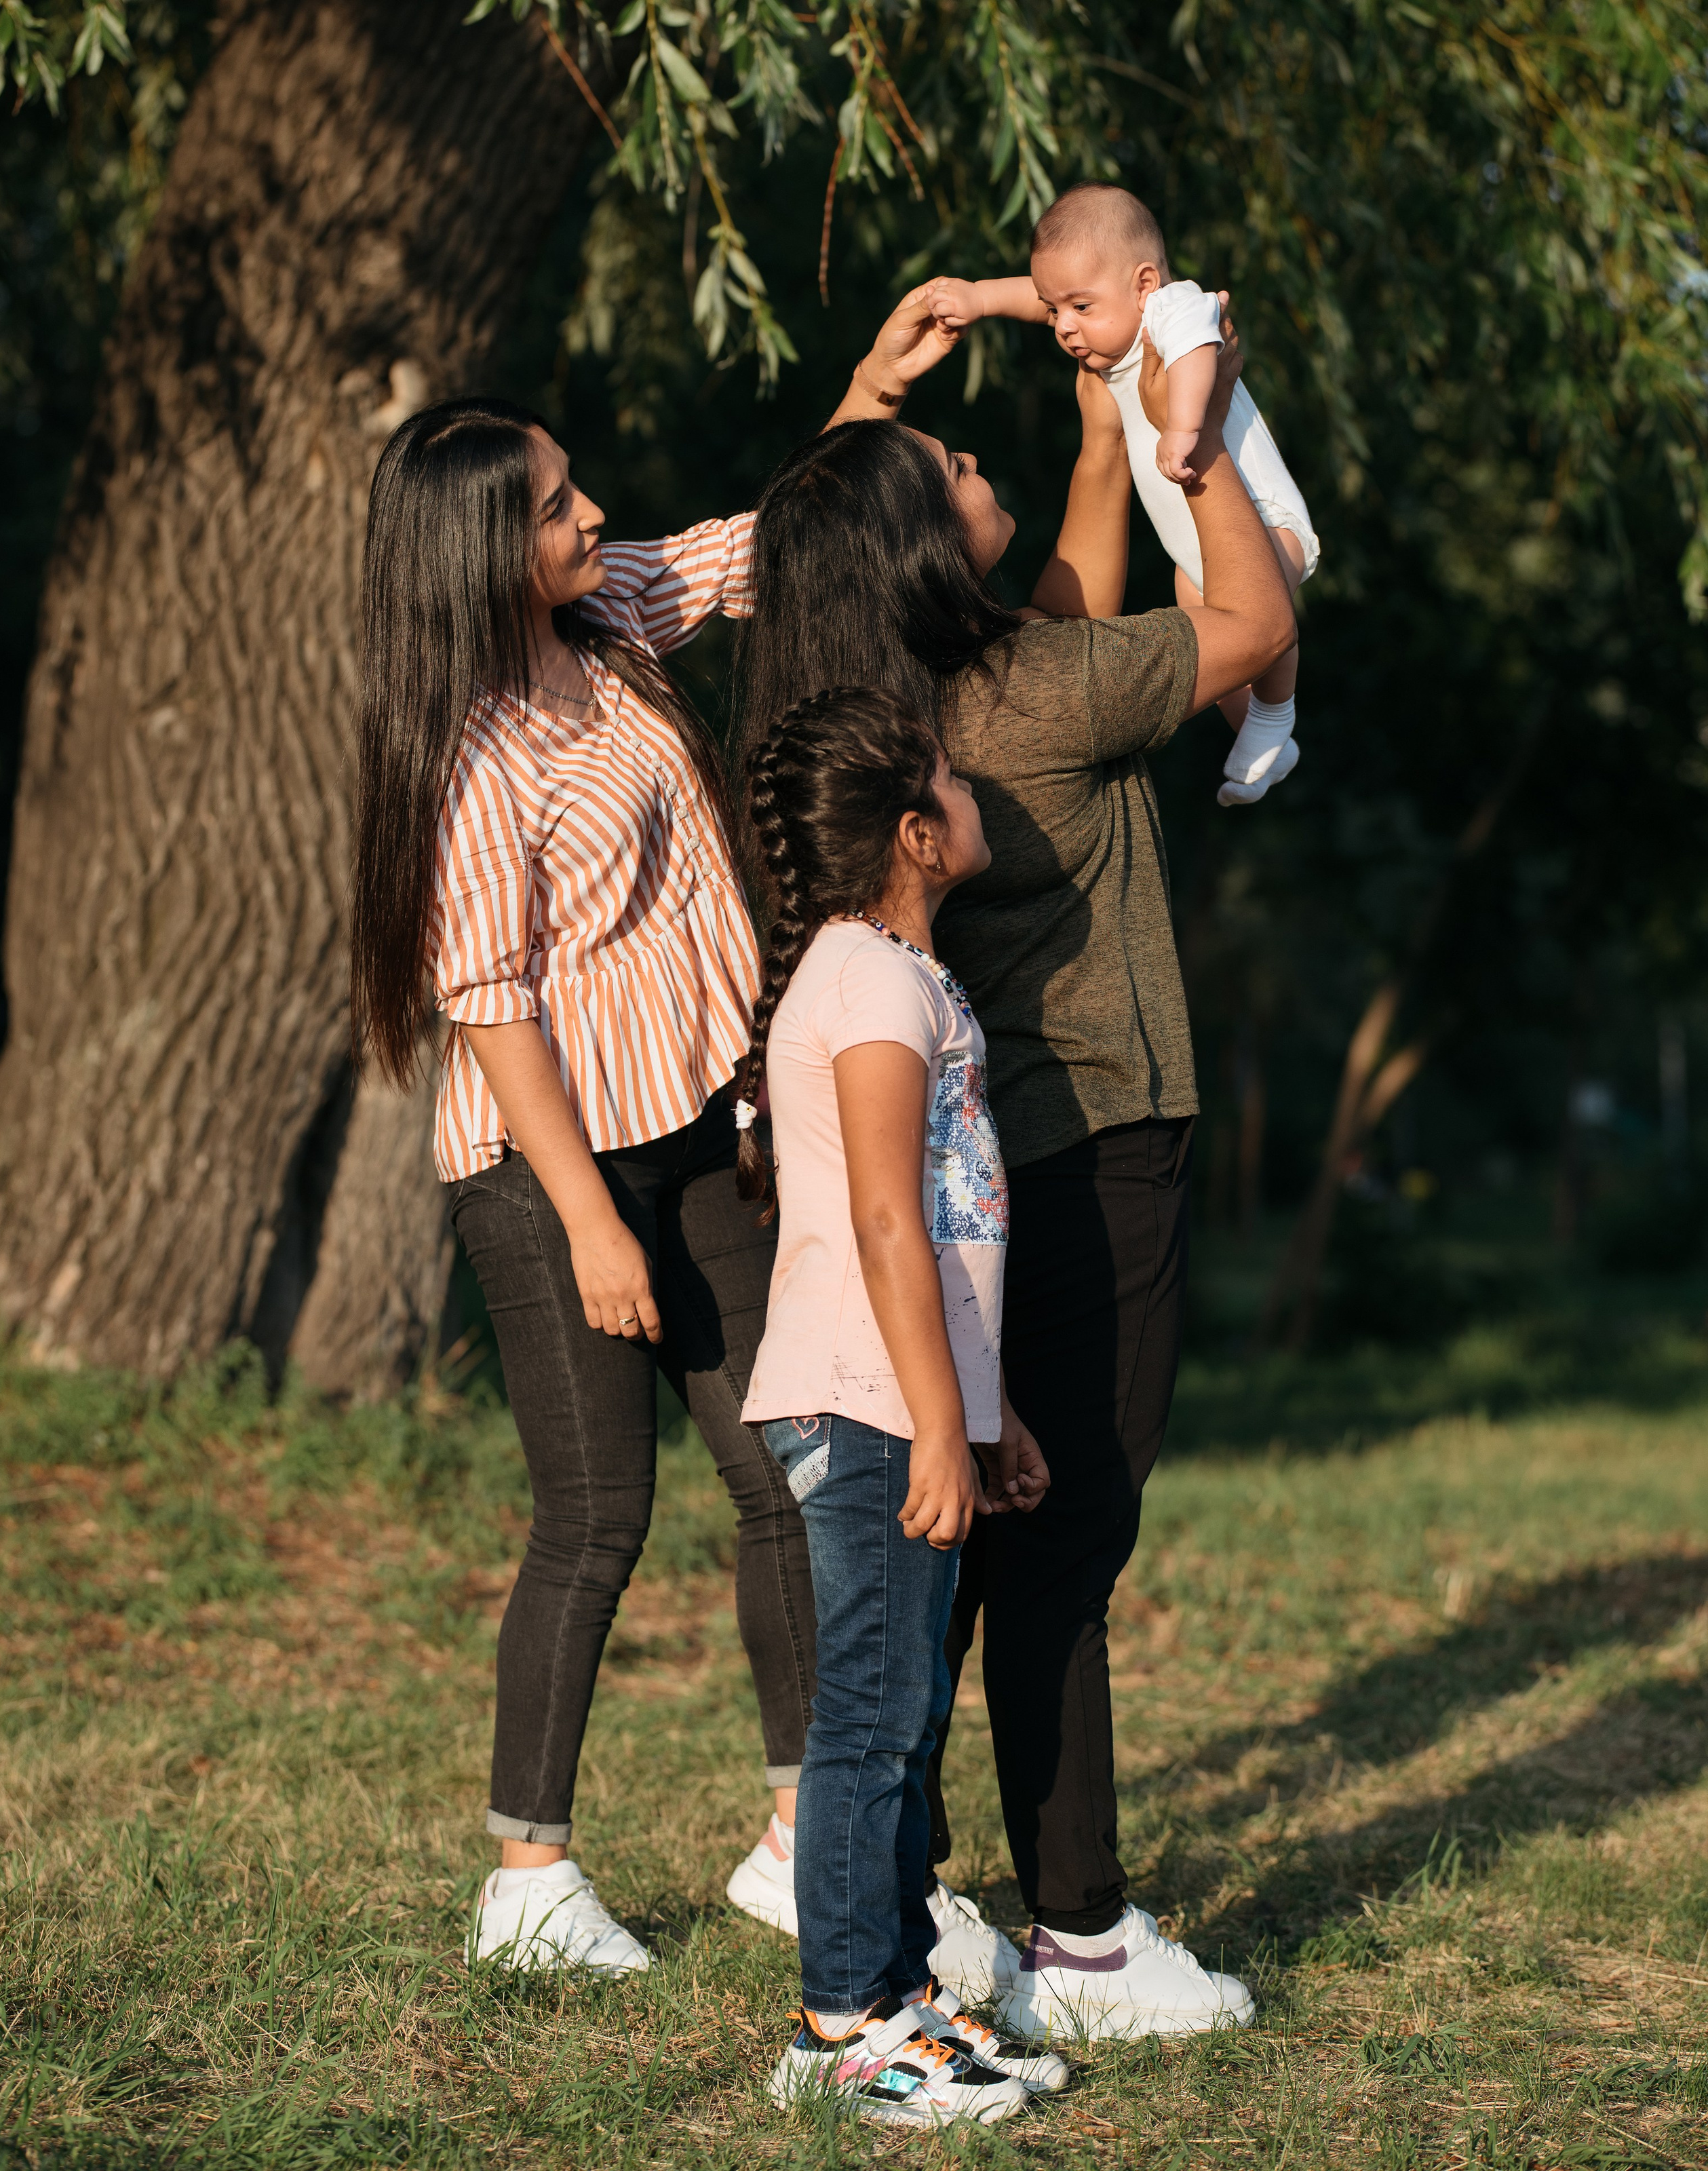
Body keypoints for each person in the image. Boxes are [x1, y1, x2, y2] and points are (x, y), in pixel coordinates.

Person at [345, 292, 1013, 1983]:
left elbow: (744, 557)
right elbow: (485, 1002)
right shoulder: (472, 751)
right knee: (595, 1515)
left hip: (693, 1121)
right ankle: (527, 1872)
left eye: (576, 495)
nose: (591, 519)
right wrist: (586, 1222)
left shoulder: (601, 627)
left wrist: (860, 394)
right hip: (549, 1160)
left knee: (781, 1470)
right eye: (560, 507)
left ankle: (803, 1836)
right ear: (484, 556)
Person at [736, 294, 1296, 2041]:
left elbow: (1059, 565)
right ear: (916, 546)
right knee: (1068, 1538)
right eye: (950, 466)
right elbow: (1255, 617)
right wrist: (1183, 423)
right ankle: (1080, 1937)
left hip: (995, 1164)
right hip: (1095, 1135)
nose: (974, 464)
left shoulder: (877, 701)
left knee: (979, 1543)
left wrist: (1082, 433)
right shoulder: (1036, 694)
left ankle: (895, 1891)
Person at [736, 687, 1061, 2124]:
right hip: (863, 1398)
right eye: (947, 773)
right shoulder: (864, 982)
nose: (970, 783)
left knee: (905, 1706)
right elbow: (882, 1219)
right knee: (865, 1719)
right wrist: (936, 1420)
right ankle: (836, 2025)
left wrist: (986, 1413)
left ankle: (894, 1988)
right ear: (914, 837)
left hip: (908, 1398)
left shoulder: (900, 973)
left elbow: (943, 1217)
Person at [927, 182, 1318, 809]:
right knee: (1215, 638)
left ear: (1144, 284)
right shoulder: (1111, 333)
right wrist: (979, 298)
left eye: (1080, 306)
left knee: (1260, 617)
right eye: (1056, 311)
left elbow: (1201, 351)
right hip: (1199, 544)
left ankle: (1275, 718)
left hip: (1264, 519)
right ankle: (1259, 728)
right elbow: (1037, 296)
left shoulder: (1172, 309)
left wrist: (1188, 427)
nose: (1062, 326)